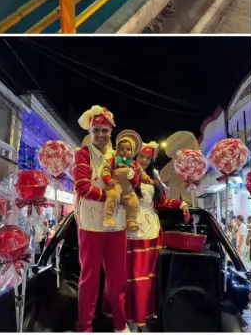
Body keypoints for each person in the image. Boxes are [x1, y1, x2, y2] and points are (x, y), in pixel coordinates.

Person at [72, 105, 128, 333]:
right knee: (89, 279)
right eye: (97, 130)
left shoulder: (118, 157)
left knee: (118, 280)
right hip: (91, 225)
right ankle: (85, 327)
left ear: (111, 131)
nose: (101, 135)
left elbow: (129, 183)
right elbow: (81, 186)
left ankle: (120, 324)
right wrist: (110, 197)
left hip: (117, 226)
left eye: (105, 130)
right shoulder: (83, 153)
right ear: (90, 132)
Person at [124, 141, 189, 331]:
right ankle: (128, 316)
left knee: (148, 276)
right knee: (130, 275)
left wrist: (180, 204)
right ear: (135, 157)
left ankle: (144, 316)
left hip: (151, 229)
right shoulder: (126, 171)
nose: (143, 160)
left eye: (146, 157)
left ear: (151, 160)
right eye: (140, 157)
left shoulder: (154, 177)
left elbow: (161, 202)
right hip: (130, 228)